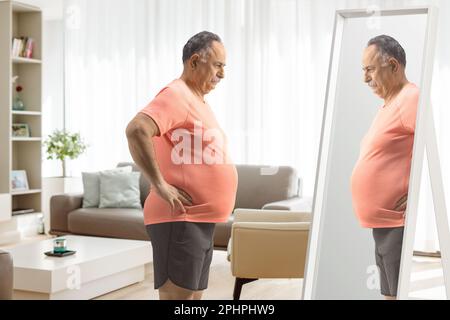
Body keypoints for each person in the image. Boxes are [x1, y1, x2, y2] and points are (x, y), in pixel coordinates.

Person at [126, 31, 238, 300]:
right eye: (218, 65)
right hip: (180, 218)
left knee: (191, 300)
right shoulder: (176, 94)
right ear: (195, 61)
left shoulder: (197, 100)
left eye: (225, 67)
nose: (222, 74)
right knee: (178, 299)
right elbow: (136, 129)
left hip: (199, 219)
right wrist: (160, 184)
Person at [351, 35, 420, 300]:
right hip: (382, 222)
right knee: (388, 293)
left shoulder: (410, 98)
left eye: (369, 69)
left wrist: (413, 191)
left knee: (396, 292)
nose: (364, 78)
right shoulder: (391, 102)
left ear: (393, 66)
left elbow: (432, 146)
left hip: (394, 222)